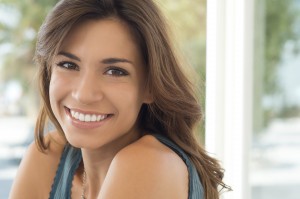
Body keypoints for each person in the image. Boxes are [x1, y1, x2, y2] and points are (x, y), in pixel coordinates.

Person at [9, 0, 230, 198]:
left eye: (115, 71)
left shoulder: (150, 164)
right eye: (68, 65)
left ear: (150, 86)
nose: (84, 94)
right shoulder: (48, 155)